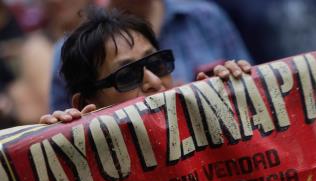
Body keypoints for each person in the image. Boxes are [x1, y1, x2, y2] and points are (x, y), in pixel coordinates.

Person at [40, 7, 251, 124]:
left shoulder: (206, 17)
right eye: (127, 75)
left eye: (157, 64)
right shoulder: (83, 159)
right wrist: (60, 147)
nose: (155, 81)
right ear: (85, 103)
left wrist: (241, 95)